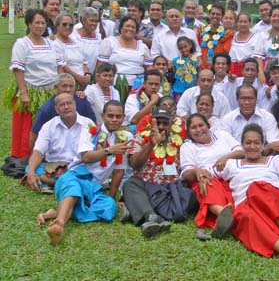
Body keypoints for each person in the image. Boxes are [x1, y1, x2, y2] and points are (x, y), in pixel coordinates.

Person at [209, 124, 279, 271]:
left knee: (256, 188)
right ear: (242, 145)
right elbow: (207, 175)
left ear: (263, 145)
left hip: (277, 205)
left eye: (256, 143)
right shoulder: (231, 164)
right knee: (244, 215)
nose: (252, 146)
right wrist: (222, 159)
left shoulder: (274, 161)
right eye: (248, 143)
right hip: (248, 208)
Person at [36, 101, 132, 245]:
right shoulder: (90, 130)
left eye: (118, 116)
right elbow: (86, 157)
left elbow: (119, 170)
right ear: (102, 116)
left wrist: (112, 198)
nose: (114, 119)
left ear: (123, 117)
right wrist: (109, 151)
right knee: (74, 190)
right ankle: (59, 224)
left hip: (95, 187)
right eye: (110, 115)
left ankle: (55, 212)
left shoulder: (126, 137)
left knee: (108, 208)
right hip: (75, 175)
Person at [122, 106, 186, 237]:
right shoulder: (140, 137)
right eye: (158, 122)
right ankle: (151, 216)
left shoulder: (180, 139)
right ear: (151, 122)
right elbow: (135, 163)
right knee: (129, 184)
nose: (161, 126)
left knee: (184, 196)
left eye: (165, 123)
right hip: (145, 185)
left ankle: (137, 208)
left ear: (171, 123)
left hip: (169, 189)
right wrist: (151, 144)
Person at [6, 9, 61, 160]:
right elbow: (18, 70)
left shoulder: (51, 44)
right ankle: (25, 156)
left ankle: (46, 155)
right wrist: (24, 93)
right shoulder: (22, 44)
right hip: (31, 90)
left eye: (43, 23)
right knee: (28, 127)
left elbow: (58, 67)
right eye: (36, 22)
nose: (40, 26)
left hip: (50, 91)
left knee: (48, 125)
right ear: (29, 24)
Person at [180, 114, 244, 234]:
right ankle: (223, 214)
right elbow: (186, 174)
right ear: (188, 132)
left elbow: (241, 152)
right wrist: (197, 171)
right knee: (207, 182)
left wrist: (226, 157)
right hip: (207, 179)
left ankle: (229, 216)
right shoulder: (188, 147)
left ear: (208, 126)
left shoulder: (222, 135)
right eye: (193, 127)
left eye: (201, 125)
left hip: (230, 175)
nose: (199, 130)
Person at [25, 93, 94, 192]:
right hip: (53, 168)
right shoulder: (48, 126)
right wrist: (31, 172)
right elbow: (38, 151)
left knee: (88, 173)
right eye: (62, 105)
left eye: (69, 103)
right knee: (30, 168)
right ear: (56, 109)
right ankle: (71, 184)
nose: (66, 107)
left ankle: (51, 181)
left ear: (75, 105)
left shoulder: (88, 123)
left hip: (77, 167)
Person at [31, 73, 96, 151]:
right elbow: (34, 134)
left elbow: (93, 125)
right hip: (55, 154)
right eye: (64, 86)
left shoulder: (82, 101)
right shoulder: (46, 109)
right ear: (56, 88)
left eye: (71, 86)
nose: (68, 90)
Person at [220, 84, 279, 154]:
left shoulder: (267, 117)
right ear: (237, 100)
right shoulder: (228, 119)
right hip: (234, 160)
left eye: (251, 98)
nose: (247, 103)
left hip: (262, 159)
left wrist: (267, 148)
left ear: (256, 99)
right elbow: (225, 145)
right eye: (243, 99)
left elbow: (274, 142)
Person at [98, 15, 153, 95]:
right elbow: (101, 65)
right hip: (114, 84)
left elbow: (148, 68)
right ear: (120, 28)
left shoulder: (142, 46)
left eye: (133, 27)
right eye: (127, 26)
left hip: (137, 86)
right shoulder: (110, 42)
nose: (130, 29)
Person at [54, 13, 90, 90]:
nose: (68, 27)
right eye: (64, 24)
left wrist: (87, 75)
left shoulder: (77, 42)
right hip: (68, 84)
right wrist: (79, 78)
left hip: (83, 83)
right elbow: (62, 66)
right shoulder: (54, 43)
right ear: (57, 26)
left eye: (71, 25)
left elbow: (84, 63)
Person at [198, 3, 233, 69]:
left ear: (222, 16)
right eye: (213, 13)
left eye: (218, 14)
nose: (215, 16)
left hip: (219, 69)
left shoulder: (227, 34)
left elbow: (227, 52)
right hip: (202, 68)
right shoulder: (201, 31)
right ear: (209, 14)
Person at [71, 7, 102, 73]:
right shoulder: (74, 35)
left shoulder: (98, 37)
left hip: (91, 76)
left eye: (96, 21)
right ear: (83, 21)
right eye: (91, 20)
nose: (94, 23)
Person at [229, 12, 257, 77]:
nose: (243, 24)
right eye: (240, 22)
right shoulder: (232, 36)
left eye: (245, 22)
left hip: (250, 72)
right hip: (233, 73)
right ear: (237, 23)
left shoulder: (256, 37)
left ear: (250, 23)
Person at [171, 36, 198, 102]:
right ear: (178, 49)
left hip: (192, 89)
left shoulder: (195, 59)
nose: (183, 49)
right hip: (179, 90)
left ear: (190, 45)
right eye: (181, 48)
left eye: (185, 47)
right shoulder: (175, 61)